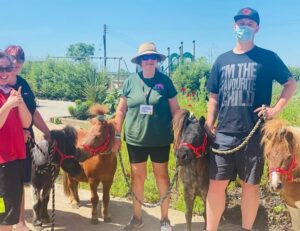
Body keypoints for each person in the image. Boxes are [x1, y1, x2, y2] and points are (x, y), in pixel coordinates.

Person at [205, 7, 297, 231]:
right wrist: (210, 121)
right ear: (234, 26)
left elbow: (290, 83)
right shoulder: (221, 61)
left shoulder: (267, 57)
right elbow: (213, 96)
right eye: (240, 22)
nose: (244, 26)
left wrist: (275, 109)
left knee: (250, 187)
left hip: (255, 134)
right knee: (216, 186)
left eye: (249, 22)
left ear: (257, 28)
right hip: (224, 135)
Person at [113, 42, 180, 231]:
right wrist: (117, 135)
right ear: (140, 61)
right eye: (145, 57)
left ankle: (165, 219)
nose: (149, 60)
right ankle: (137, 219)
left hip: (160, 140)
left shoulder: (165, 82)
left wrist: (179, 137)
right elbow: (121, 110)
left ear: (157, 60)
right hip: (136, 140)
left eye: (152, 57)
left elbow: (175, 110)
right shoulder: (130, 82)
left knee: (162, 178)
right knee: (137, 179)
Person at [5, 45, 50, 231]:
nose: (15, 63)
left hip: (22, 144)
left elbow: (33, 112)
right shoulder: (2, 84)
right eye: (11, 59)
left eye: (19, 60)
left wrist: (48, 133)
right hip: (4, 144)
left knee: (18, 183)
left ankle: (21, 221)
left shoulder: (23, 84)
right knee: (3, 187)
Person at [0, 52, 32, 231]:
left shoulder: (11, 93)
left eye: (7, 68)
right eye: (0, 69)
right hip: (3, 163)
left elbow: (26, 122)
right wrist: (7, 105)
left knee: (8, 210)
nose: (4, 73)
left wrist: (19, 103)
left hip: (15, 160)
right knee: (4, 215)